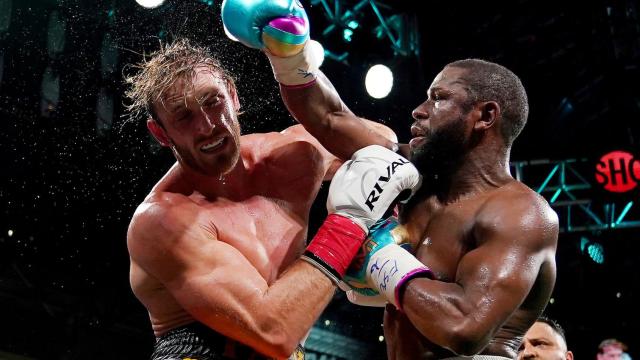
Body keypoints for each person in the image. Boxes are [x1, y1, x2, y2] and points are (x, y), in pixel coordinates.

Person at [222, 0, 560, 358]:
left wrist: (379, 258)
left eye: (438, 98)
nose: (419, 109)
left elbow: (463, 328)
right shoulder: (412, 174)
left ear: (485, 115)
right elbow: (331, 118)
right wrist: (291, 55)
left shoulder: (522, 215)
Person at [124, 38, 421, 359]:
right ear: (161, 133)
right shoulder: (163, 221)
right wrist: (349, 224)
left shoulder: (293, 156)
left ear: (233, 97)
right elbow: (273, 330)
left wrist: (296, 71)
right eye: (184, 117)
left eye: (213, 102)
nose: (207, 126)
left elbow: (383, 145)